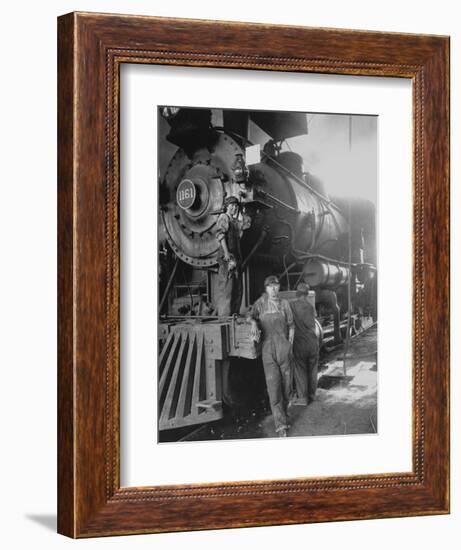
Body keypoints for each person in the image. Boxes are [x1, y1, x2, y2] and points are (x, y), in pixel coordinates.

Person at [248, 275, 295, 437]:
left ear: (279, 288)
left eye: (276, 286)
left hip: (284, 349)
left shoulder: (285, 304)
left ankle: (285, 412)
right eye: (270, 287)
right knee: (273, 388)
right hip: (268, 351)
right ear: (266, 289)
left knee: (287, 388)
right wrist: (254, 322)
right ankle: (280, 425)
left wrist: (290, 345)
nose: (274, 289)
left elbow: (291, 325)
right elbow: (250, 315)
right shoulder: (260, 304)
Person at [290, 283, 319, 405]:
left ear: (297, 293)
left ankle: (302, 398)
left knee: (300, 369)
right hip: (313, 342)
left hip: (300, 342)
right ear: (307, 294)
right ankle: (312, 395)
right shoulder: (310, 306)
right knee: (312, 370)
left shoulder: (292, 305)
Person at [215, 196, 244, 316]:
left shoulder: (234, 221)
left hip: (236, 256)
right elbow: (220, 235)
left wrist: (241, 211)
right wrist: (226, 253)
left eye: (236, 206)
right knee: (227, 287)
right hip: (227, 256)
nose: (234, 208)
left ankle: (234, 314)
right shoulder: (224, 217)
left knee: (237, 287)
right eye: (232, 206)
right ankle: (225, 317)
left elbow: (245, 224)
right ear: (227, 206)